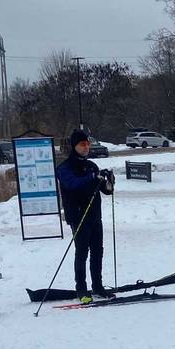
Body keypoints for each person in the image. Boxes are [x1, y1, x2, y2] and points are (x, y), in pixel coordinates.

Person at [55, 129, 114, 304]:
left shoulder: (91, 166)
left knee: (98, 252)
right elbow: (73, 185)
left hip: (95, 216)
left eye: (88, 144)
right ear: (75, 146)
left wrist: (108, 181)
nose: (86, 147)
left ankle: (98, 286)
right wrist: (93, 177)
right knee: (82, 253)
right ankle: (81, 289)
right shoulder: (64, 167)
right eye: (82, 144)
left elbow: (105, 190)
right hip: (78, 216)